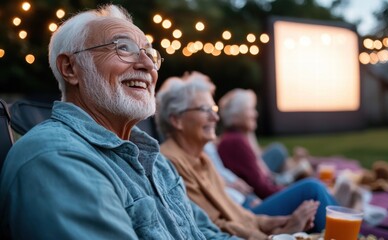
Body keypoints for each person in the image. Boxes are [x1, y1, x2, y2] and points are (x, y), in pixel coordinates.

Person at [0, 5, 237, 239]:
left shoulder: (154, 160)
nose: (148, 66)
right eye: (124, 48)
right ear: (70, 68)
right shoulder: (55, 158)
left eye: (150, 54)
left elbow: (205, 234)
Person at [156, 71, 338, 237]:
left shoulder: (202, 159)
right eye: (205, 110)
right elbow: (213, 227)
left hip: (249, 219)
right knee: (313, 189)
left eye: (214, 110)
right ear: (176, 120)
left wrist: (277, 223)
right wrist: (276, 235)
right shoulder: (171, 163)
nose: (215, 118)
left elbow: (235, 212)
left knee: (315, 194)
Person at [217, 88, 312, 199]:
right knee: (312, 187)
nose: (255, 114)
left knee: (310, 185)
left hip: (259, 195)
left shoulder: (234, 137)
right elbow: (263, 189)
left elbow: (262, 177)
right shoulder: (235, 142)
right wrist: (294, 190)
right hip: (257, 202)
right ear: (236, 116)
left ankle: (292, 175)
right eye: (250, 109)